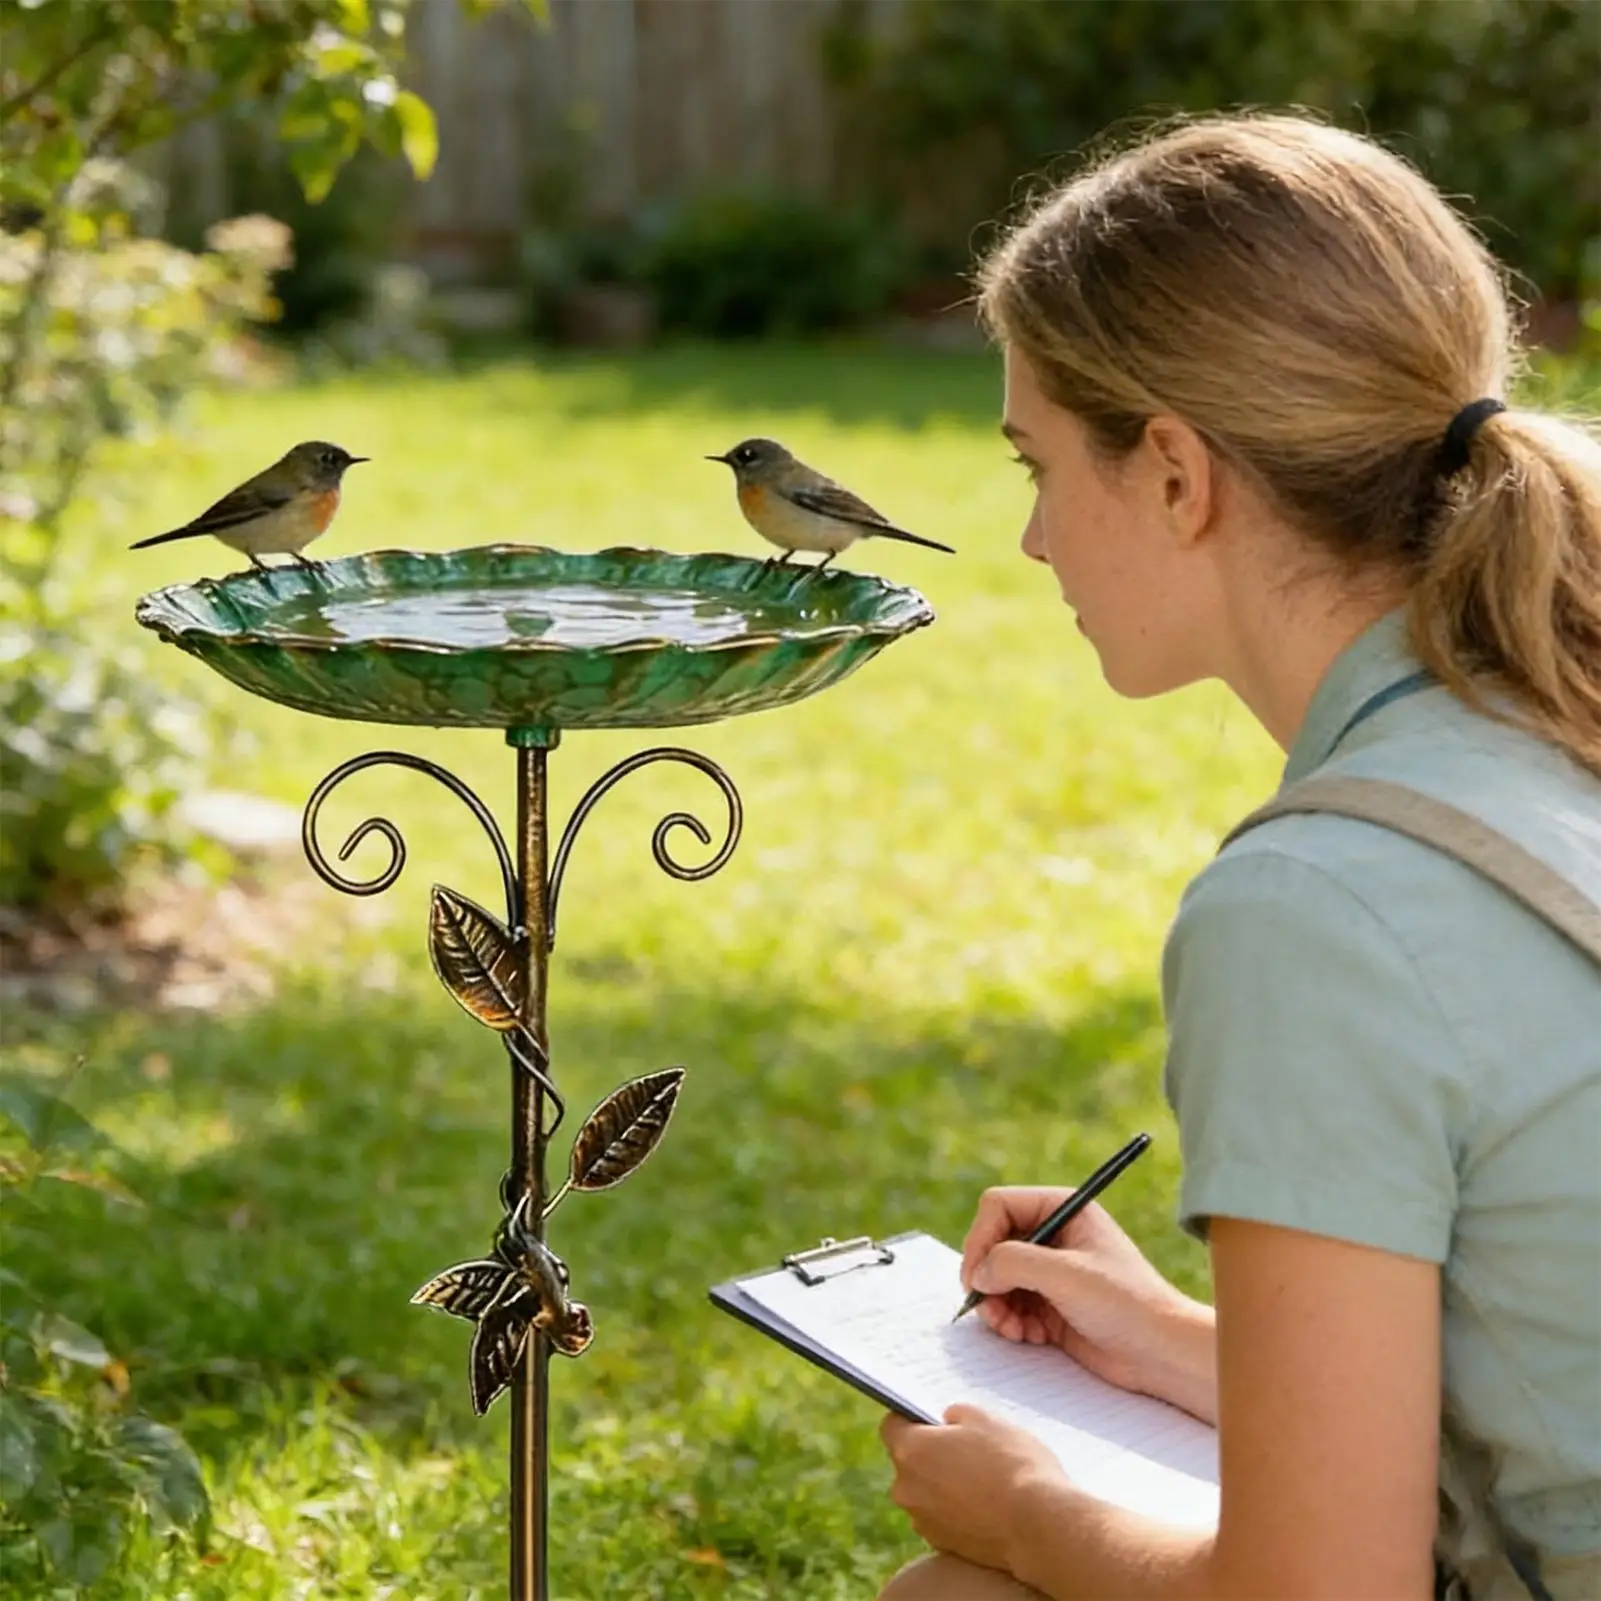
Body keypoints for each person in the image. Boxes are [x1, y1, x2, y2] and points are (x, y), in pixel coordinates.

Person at [876, 113, 1601, 1601]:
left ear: (1172, 473)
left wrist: (1029, 1516)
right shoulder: (1557, 714)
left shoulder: (1319, 904)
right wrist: (1173, 1346)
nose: (1029, 539)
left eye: (1038, 464)